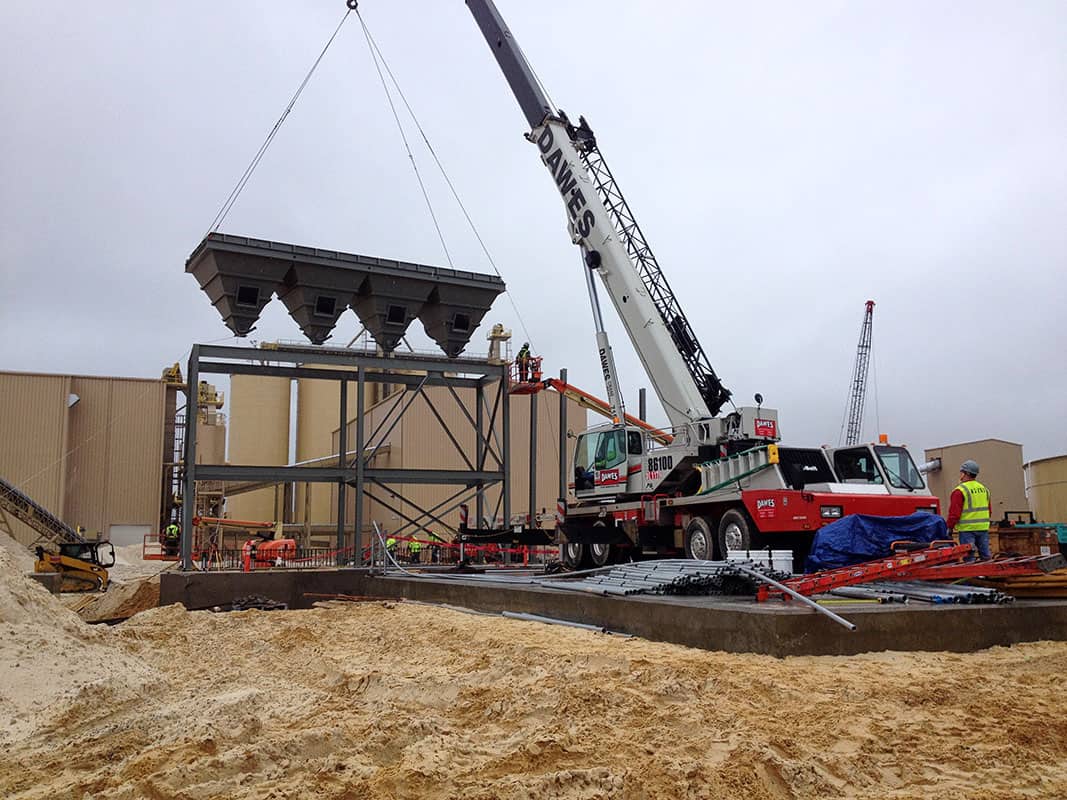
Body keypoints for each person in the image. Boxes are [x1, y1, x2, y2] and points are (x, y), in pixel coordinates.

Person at [946, 459, 992, 561]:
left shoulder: (960, 491)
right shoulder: (984, 489)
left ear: (965, 473)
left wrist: (949, 528)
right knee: (986, 557)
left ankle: (973, 577)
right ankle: (990, 576)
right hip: (983, 528)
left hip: (967, 530)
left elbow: (954, 514)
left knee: (969, 558)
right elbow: (989, 510)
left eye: (961, 472)